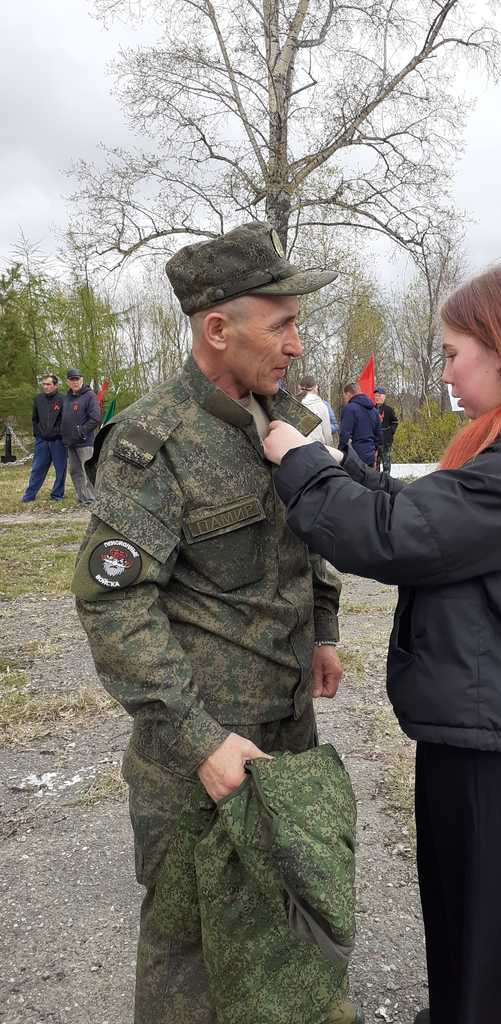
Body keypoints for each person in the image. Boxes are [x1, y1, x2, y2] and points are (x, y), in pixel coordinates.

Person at [263, 262, 501, 1024]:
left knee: (488, 923)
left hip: (492, 728)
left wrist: (299, 465)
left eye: (455, 352)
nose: (448, 372)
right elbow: (428, 506)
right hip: (477, 716)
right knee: (459, 898)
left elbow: (399, 535)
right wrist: (340, 467)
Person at [71, 221, 361, 1024]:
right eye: (283, 324)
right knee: (189, 958)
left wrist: (324, 628)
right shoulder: (151, 443)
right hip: (200, 755)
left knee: (289, 927)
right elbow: (113, 603)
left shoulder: (290, 423)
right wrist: (197, 740)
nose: (297, 344)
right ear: (218, 329)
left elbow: (312, 535)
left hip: (286, 735)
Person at [21, 373, 67, 503]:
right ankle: (29, 495)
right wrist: (38, 434)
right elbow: (34, 419)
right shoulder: (38, 399)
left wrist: (58, 433)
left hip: (58, 441)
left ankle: (57, 495)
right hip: (42, 441)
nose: (45, 386)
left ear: (55, 385)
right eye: (44, 384)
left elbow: (65, 421)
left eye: (48, 384)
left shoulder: (63, 399)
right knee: (37, 469)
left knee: (60, 469)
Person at [61, 368, 101, 505]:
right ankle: (83, 497)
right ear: (68, 382)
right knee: (75, 471)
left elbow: (95, 418)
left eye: (77, 379)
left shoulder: (90, 396)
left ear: (82, 379)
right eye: (72, 380)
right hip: (70, 442)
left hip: (85, 442)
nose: (75, 382)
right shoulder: (67, 398)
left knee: (88, 471)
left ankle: (93, 499)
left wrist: (81, 431)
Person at [339, 382, 382, 467]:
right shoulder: (374, 410)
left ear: (348, 394)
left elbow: (345, 433)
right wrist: (375, 451)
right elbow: (379, 435)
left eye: (345, 396)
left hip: (355, 456)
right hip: (371, 455)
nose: (345, 399)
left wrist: (340, 450)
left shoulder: (349, 409)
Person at [298, 373, 334, 444]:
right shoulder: (322, 406)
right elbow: (326, 430)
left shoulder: (297, 405)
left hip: (301, 444)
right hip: (317, 445)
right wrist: (329, 445)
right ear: (315, 387)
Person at [373, 386, 398, 475]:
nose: (377, 397)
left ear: (384, 397)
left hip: (386, 441)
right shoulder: (371, 409)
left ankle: (387, 481)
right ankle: (376, 480)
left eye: (379, 396)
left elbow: (395, 422)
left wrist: (390, 432)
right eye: (376, 396)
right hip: (375, 442)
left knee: (386, 464)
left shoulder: (389, 409)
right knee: (375, 464)